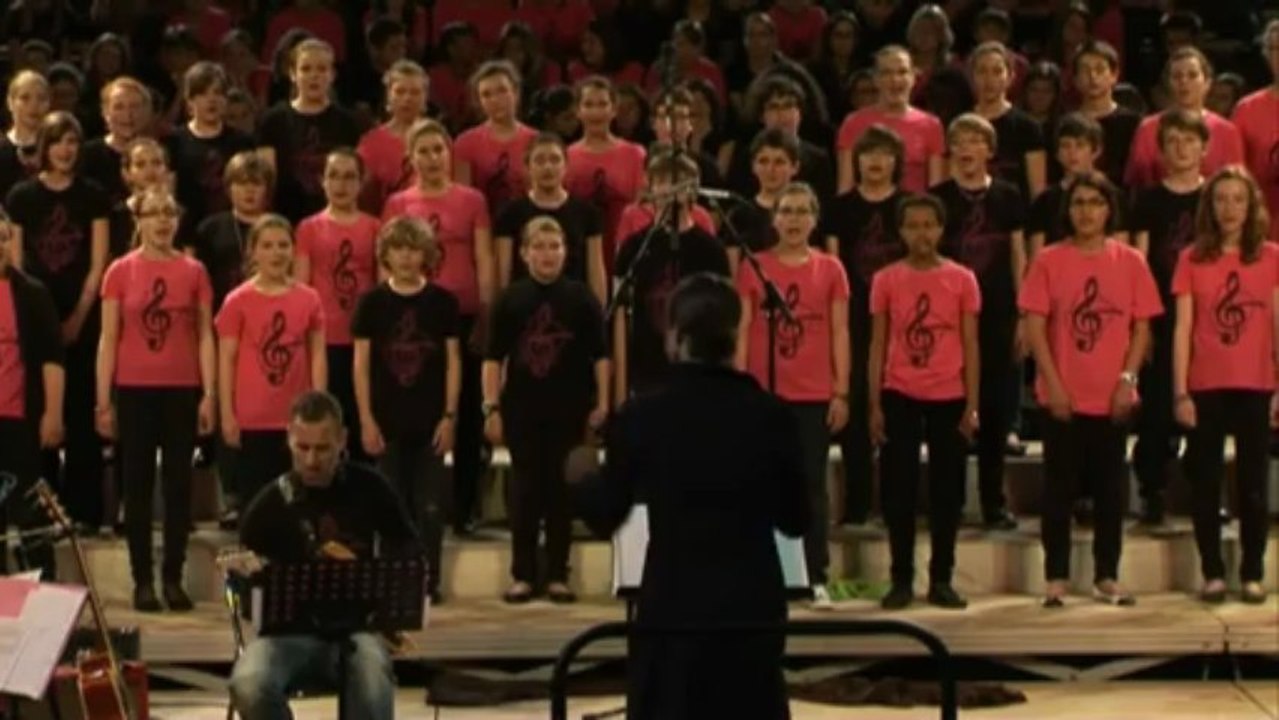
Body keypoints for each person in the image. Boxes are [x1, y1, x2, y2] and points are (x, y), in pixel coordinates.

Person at [570, 272, 809, 720]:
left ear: (675, 336)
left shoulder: (643, 415)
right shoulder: (771, 415)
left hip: (675, 605)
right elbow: (796, 519)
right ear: (736, 336)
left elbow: (605, 515)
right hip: (751, 607)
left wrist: (580, 475)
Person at [228, 390, 419, 720]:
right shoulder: (268, 505)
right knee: (248, 684)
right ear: (288, 438)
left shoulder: (370, 487)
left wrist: (384, 596)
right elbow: (245, 595)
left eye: (322, 449)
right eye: (302, 448)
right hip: (285, 637)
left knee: (373, 680)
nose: (312, 460)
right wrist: (250, 578)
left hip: (357, 632)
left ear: (343, 440)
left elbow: (408, 548)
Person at [1019, 171, 1162, 608]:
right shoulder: (1047, 259)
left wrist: (1127, 381)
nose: (1086, 211)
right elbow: (1036, 329)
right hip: (1062, 395)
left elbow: (1142, 328)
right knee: (1058, 490)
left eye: (1095, 203)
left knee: (1110, 492)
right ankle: (1056, 578)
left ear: (1109, 210)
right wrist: (1053, 385)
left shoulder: (1131, 261)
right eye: (1079, 203)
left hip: (1113, 396)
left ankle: (1106, 576)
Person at [96, 186, 215, 612]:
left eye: (169, 212)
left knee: (179, 487)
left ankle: (173, 578)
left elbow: (204, 335)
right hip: (134, 390)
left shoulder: (195, 271)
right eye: (154, 213)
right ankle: (142, 579)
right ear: (139, 219)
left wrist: (209, 394)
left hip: (181, 390)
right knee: (138, 487)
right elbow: (108, 338)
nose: (163, 221)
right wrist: (103, 401)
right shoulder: (119, 272)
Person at [735, 182, 849, 608]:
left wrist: (841, 391)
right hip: (764, 392)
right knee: (758, 484)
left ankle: (815, 573)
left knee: (811, 487)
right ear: (774, 218)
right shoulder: (754, 268)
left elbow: (839, 329)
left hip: (814, 392)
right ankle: (760, 574)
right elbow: (743, 328)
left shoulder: (831, 269)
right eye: (787, 211)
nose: (795, 220)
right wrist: (741, 388)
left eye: (803, 211)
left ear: (815, 220)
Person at [484, 216, 609, 604]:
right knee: (524, 491)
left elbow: (601, 356)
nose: (547, 254)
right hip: (521, 407)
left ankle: (558, 573)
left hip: (569, 407)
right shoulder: (509, 299)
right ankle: (522, 574)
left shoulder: (582, 297)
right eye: (538, 247)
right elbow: (491, 358)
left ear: (565, 253)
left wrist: (604, 403)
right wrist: (490, 407)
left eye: (554, 247)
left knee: (560, 492)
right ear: (523, 253)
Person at [383, 118, 493, 536]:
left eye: (438, 150)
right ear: (410, 158)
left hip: (462, 314)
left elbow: (485, 258)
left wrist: (486, 312)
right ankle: (409, 507)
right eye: (423, 151)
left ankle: (464, 507)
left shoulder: (472, 200)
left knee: (466, 410)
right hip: (414, 318)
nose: (432, 158)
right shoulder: (397, 203)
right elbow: (385, 261)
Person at [869, 193, 979, 610]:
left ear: (941, 229)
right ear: (900, 231)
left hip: (949, 393)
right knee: (899, 491)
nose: (921, 233)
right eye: (912, 225)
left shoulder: (963, 278)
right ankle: (900, 579)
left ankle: (942, 578)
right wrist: (875, 403)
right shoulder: (886, 279)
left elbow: (970, 343)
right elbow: (878, 343)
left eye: (928, 225)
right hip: (899, 391)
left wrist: (972, 402)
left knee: (946, 492)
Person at [1172, 167, 1275, 605]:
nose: (1230, 208)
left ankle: (1252, 572)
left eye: (1238, 199)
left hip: (1256, 384)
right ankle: (1213, 572)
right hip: (1206, 385)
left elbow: (1277, 322)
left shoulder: (1271, 257)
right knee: (1206, 483)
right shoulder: (1192, 258)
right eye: (1221, 200)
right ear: (1209, 208)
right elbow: (1183, 328)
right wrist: (1180, 392)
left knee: (1253, 484)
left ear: (1251, 206)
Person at [4, 111, 110, 530]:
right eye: (58, 141)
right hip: (33, 311)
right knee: (38, 415)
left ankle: (82, 512)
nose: (66, 150)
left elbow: (98, 261)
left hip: (81, 314)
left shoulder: (93, 195)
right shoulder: (22, 197)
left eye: (73, 141)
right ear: (44, 147)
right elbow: (14, 259)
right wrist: (43, 317)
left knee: (81, 414)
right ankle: (39, 513)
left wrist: (78, 316)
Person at [352, 216, 460, 604]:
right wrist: (365, 419)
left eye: (414, 249)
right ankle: (391, 581)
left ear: (426, 255)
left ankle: (426, 581)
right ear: (385, 254)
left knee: (429, 508)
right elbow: (361, 366)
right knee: (389, 504)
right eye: (398, 249)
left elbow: (453, 362)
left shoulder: (443, 303)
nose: (406, 257)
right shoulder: (372, 303)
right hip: (386, 421)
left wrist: (449, 417)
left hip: (431, 420)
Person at [932, 113, 1025, 530]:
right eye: (959, 141)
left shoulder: (1008, 197)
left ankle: (993, 502)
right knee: (950, 410)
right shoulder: (937, 199)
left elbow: (1020, 256)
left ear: (989, 151)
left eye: (975, 141)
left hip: (1000, 315)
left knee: (995, 408)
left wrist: (1025, 312)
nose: (966, 149)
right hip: (947, 317)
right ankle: (947, 504)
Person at [823, 124, 906, 527]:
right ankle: (857, 506)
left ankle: (894, 505)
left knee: (896, 408)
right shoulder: (839, 209)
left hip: (904, 316)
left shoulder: (910, 206)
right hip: (854, 315)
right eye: (868, 154)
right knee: (855, 410)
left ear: (896, 161)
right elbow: (836, 267)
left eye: (884, 154)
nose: (875, 161)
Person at [1129, 109, 1207, 527]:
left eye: (1189, 140)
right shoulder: (1149, 200)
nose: (1181, 148)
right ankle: (1152, 488)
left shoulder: (1216, 197)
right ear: (1160, 150)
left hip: (1209, 317)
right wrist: (1142, 322)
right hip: (1161, 313)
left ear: (1204, 147)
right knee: (1158, 407)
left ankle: (1202, 488)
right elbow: (1139, 263)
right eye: (1172, 141)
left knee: (1207, 406)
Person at [216, 214, 327, 509]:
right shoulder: (237, 301)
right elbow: (226, 360)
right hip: (252, 419)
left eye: (282, 245)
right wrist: (227, 413)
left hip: (296, 419)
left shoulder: (309, 299)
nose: (276, 253)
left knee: (297, 503)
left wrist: (319, 409)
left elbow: (317, 354)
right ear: (253, 252)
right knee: (255, 504)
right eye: (267, 246)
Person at [613, 151, 731, 400]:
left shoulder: (711, 250)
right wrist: (621, 388)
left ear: (693, 190)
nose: (671, 190)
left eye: (679, 182)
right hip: (647, 370)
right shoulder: (634, 247)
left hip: (700, 372)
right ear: (651, 188)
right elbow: (620, 317)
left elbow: (725, 319)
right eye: (664, 182)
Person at [296, 150, 381, 463]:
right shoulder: (308, 228)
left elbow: (382, 288)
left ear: (361, 183)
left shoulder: (374, 227)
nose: (341, 184)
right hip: (324, 341)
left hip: (363, 341)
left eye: (349, 177)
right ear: (322, 181)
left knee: (362, 423)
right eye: (334, 175)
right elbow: (301, 289)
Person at [0, 209, 61, 579]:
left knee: (29, 517)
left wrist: (51, 414)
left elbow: (52, 359)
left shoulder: (32, 294)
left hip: (20, 420)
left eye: (3, 238)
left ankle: (44, 602)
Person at [494, 133, 607, 304]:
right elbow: (503, 277)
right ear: (527, 167)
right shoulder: (510, 213)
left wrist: (598, 314)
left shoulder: (587, 213)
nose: (548, 167)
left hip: (575, 307)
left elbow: (596, 274)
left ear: (566, 165)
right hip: (524, 307)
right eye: (539, 161)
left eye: (555, 160)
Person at [256, 39, 360, 223]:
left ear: (332, 75)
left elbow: (355, 179)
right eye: (306, 69)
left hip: (334, 221)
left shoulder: (348, 123)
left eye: (321, 69)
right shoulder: (273, 120)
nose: (314, 76)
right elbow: (266, 182)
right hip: (285, 220)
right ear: (292, 74)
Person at [1124, 47, 1244, 190]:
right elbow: (1137, 184)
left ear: (1207, 83)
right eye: (1177, 76)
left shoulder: (1227, 131)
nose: (1184, 82)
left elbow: (1236, 185)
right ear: (1168, 83)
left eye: (1192, 75)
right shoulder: (1148, 128)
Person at [836, 45, 945, 195]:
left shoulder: (931, 125)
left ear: (913, 77)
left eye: (902, 72)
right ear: (875, 79)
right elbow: (845, 188)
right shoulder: (854, 123)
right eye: (886, 73)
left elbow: (936, 190)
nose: (895, 80)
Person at [166, 61, 256, 241]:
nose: (211, 100)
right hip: (187, 232)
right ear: (190, 101)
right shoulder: (174, 142)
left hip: (232, 233)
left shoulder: (242, 142)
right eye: (202, 93)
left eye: (217, 93)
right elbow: (169, 195)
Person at [565, 76, 647, 272]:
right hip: (578, 252)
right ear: (578, 111)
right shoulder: (566, 156)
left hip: (624, 250)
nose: (596, 112)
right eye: (589, 105)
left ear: (613, 110)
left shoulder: (634, 154)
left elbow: (642, 208)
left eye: (602, 104)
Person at [454, 60, 539, 217]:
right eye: (486, 95)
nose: (495, 100)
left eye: (502, 91)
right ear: (478, 102)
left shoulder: (536, 141)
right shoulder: (465, 143)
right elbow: (462, 201)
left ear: (516, 92)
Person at [969, 41, 1046, 203]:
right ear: (972, 77)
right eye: (982, 71)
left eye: (997, 72)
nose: (989, 80)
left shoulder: (1028, 127)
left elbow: (1037, 192)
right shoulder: (961, 124)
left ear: (1010, 77)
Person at [356, 59, 430, 216]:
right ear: (388, 97)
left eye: (415, 92)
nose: (407, 98)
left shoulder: (439, 139)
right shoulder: (371, 143)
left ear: (425, 98)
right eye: (400, 92)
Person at [1027, 113, 1106, 256]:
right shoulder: (1043, 201)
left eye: (1080, 145)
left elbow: (1120, 254)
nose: (1072, 153)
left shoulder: (1111, 196)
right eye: (1065, 145)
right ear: (1057, 153)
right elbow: (1036, 259)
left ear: (1096, 151)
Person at [722, 128, 799, 267]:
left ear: (795, 167)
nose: (771, 169)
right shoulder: (739, 216)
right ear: (753, 166)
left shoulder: (804, 213)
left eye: (779, 162)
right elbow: (733, 276)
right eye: (763, 161)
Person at [1232, 19, 1279, 242]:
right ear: (1266, 54)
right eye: (1276, 48)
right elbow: (1235, 173)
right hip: (1261, 232)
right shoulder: (1247, 109)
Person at [1071, 40, 1140, 188]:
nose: (1093, 77)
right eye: (1085, 70)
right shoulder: (1065, 123)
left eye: (1100, 69)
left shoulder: (1134, 123)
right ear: (1075, 79)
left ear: (1114, 75)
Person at [0, 70, 49, 201]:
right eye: (25, 98)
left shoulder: (58, 149)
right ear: (10, 102)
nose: (34, 105)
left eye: (41, 98)